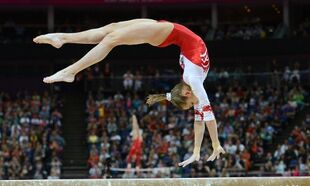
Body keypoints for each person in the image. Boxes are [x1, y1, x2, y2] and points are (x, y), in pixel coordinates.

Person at [33, 18, 225, 167]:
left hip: (168, 31)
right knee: (112, 31)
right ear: (186, 94)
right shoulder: (194, 82)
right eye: (192, 104)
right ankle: (67, 60)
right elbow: (207, 118)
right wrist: (215, 144)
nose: (195, 105)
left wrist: (197, 151)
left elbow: (200, 119)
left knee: (111, 36)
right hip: (166, 32)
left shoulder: (193, 83)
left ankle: (65, 48)